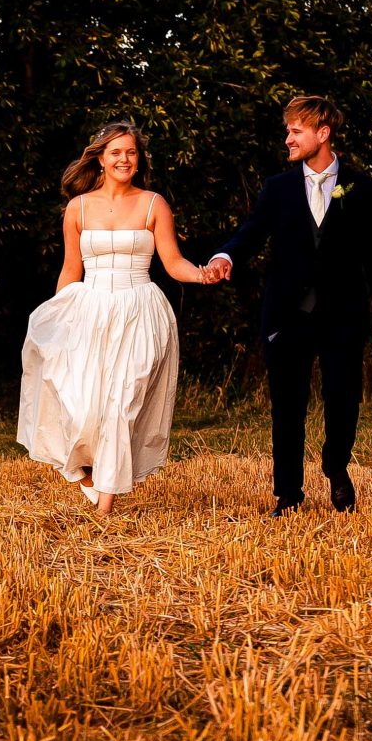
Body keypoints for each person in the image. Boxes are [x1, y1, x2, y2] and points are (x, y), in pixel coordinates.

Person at [198, 96, 372, 515]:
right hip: (287, 316)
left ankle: (336, 466)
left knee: (344, 399)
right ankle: (287, 495)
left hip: (343, 316)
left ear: (322, 134)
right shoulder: (278, 188)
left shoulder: (361, 186)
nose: (287, 138)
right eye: (288, 130)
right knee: (286, 407)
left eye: (296, 131)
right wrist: (225, 256)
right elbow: (251, 233)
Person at [18, 121, 217, 516]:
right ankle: (89, 478)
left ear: (138, 159)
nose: (124, 159)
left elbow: (173, 262)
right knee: (80, 405)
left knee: (123, 403)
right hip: (90, 309)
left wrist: (201, 273)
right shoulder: (77, 208)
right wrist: (60, 322)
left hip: (139, 309)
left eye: (131, 152)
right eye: (116, 152)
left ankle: (103, 511)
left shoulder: (153, 204)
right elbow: (71, 268)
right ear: (101, 158)